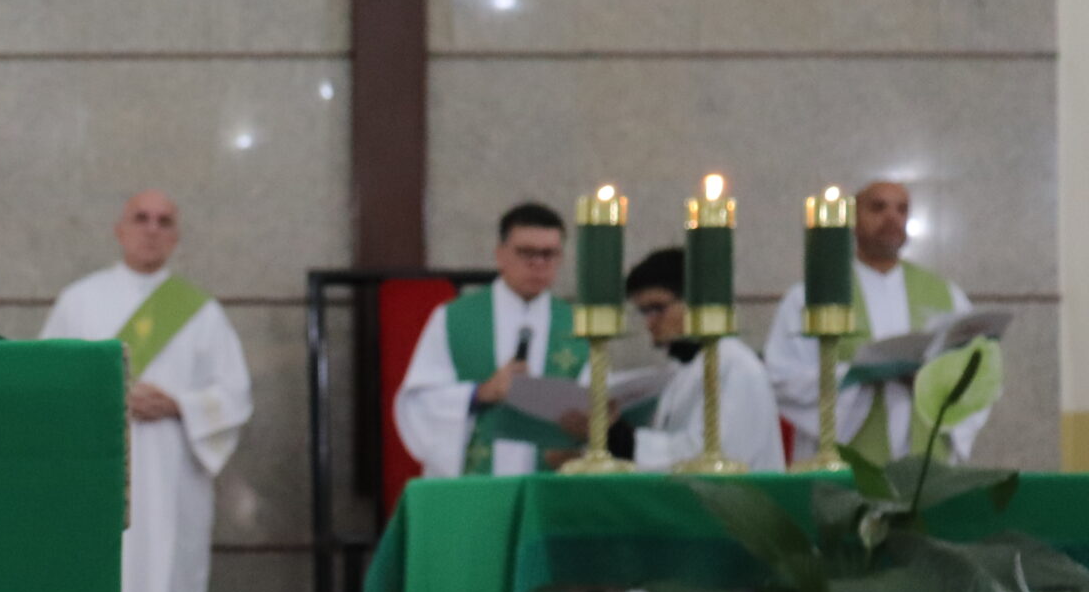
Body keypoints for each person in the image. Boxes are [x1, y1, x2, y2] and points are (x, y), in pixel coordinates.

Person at [39, 192, 252, 592]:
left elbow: (234, 394)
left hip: (177, 488)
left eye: (165, 222)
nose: (152, 230)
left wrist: (181, 403)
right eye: (141, 219)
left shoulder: (200, 312)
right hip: (102, 490)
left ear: (176, 236)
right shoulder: (79, 302)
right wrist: (110, 394)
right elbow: (48, 384)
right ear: (119, 229)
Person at [764, 181, 985, 463]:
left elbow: (979, 378)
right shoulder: (812, 295)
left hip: (925, 458)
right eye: (878, 207)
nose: (892, 217)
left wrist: (933, 379)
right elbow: (781, 377)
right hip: (845, 455)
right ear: (854, 220)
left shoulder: (946, 295)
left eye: (902, 210)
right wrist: (857, 375)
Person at [393, 202, 591, 479]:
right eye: (526, 252)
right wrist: (482, 392)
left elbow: (596, 404)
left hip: (552, 478)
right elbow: (419, 402)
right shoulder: (454, 318)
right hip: (476, 481)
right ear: (500, 255)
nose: (538, 263)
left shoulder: (580, 324)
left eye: (548, 254)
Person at [619, 248, 787, 475]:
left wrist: (622, 440)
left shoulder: (737, 366)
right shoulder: (682, 369)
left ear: (695, 302)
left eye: (657, 308)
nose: (649, 323)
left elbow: (715, 456)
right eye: (643, 312)